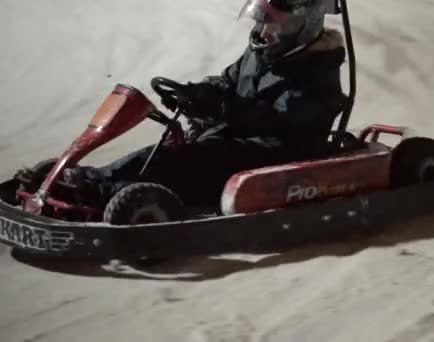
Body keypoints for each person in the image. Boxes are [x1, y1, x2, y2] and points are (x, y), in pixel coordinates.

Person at [67, 0, 348, 207]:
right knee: (169, 151)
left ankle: (111, 194)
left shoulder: (319, 71)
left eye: (272, 25)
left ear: (302, 27)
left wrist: (220, 108)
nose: (263, 31)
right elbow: (227, 82)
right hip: (237, 138)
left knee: (200, 157)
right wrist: (198, 93)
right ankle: (91, 179)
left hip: (278, 153)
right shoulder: (262, 55)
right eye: (261, 22)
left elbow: (282, 120)